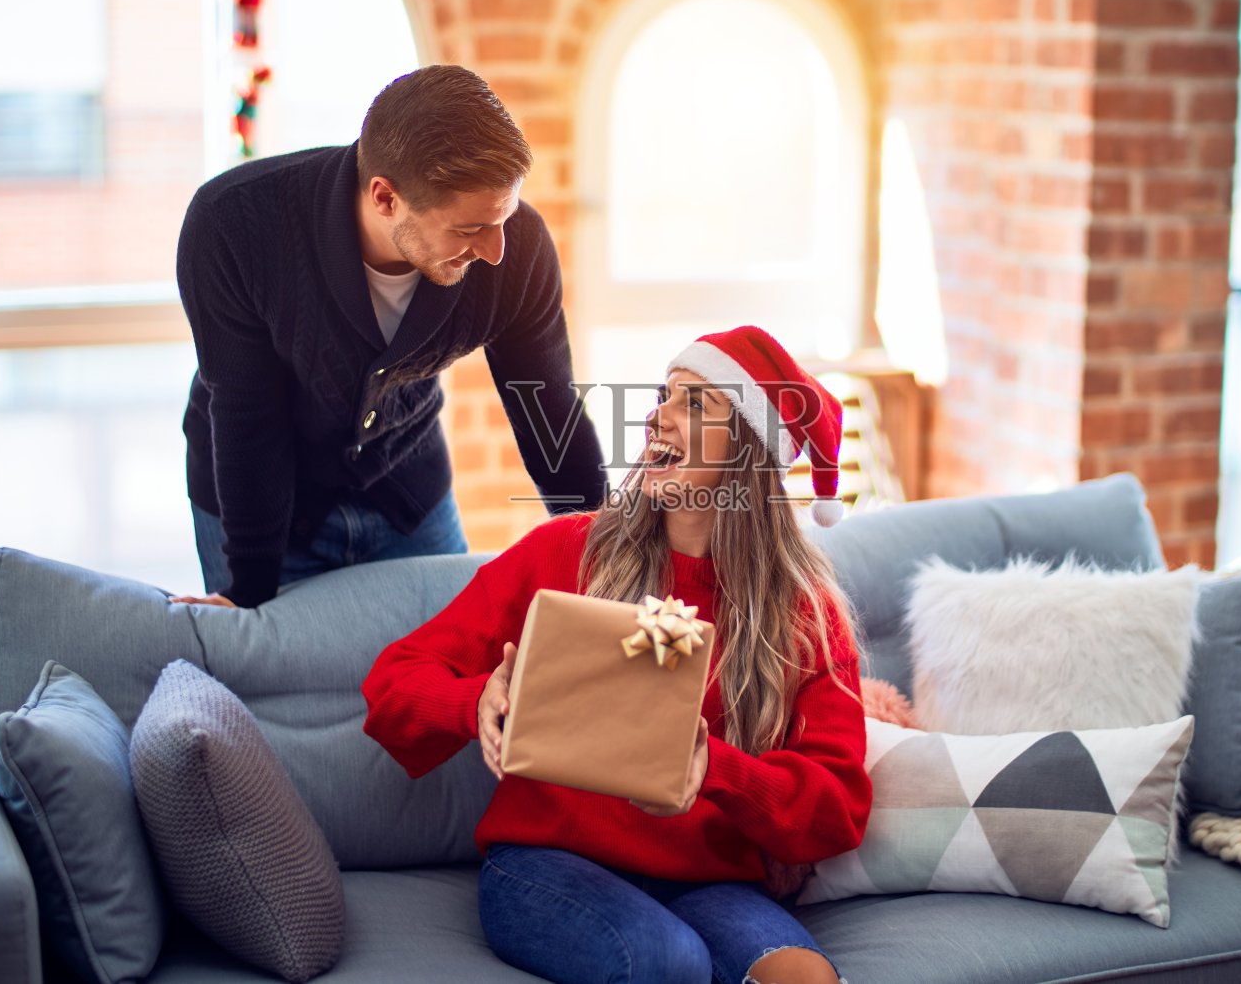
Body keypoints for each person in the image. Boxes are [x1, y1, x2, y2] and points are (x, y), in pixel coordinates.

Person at [362, 326, 868, 984]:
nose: (657, 414)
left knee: (805, 977)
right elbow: (394, 679)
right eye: (664, 395)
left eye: (694, 404)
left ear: (745, 448)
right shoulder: (566, 551)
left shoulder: (804, 612)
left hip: (708, 880)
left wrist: (718, 768)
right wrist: (477, 699)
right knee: (669, 962)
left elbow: (839, 806)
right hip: (546, 863)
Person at [172, 65, 606, 609]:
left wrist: (608, 560)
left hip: (407, 489)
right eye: (470, 229)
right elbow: (247, 415)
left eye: (505, 216)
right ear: (384, 198)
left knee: (450, 663)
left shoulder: (515, 249)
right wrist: (250, 592)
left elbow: (548, 408)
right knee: (272, 672)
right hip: (258, 505)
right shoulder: (233, 225)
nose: (497, 250)